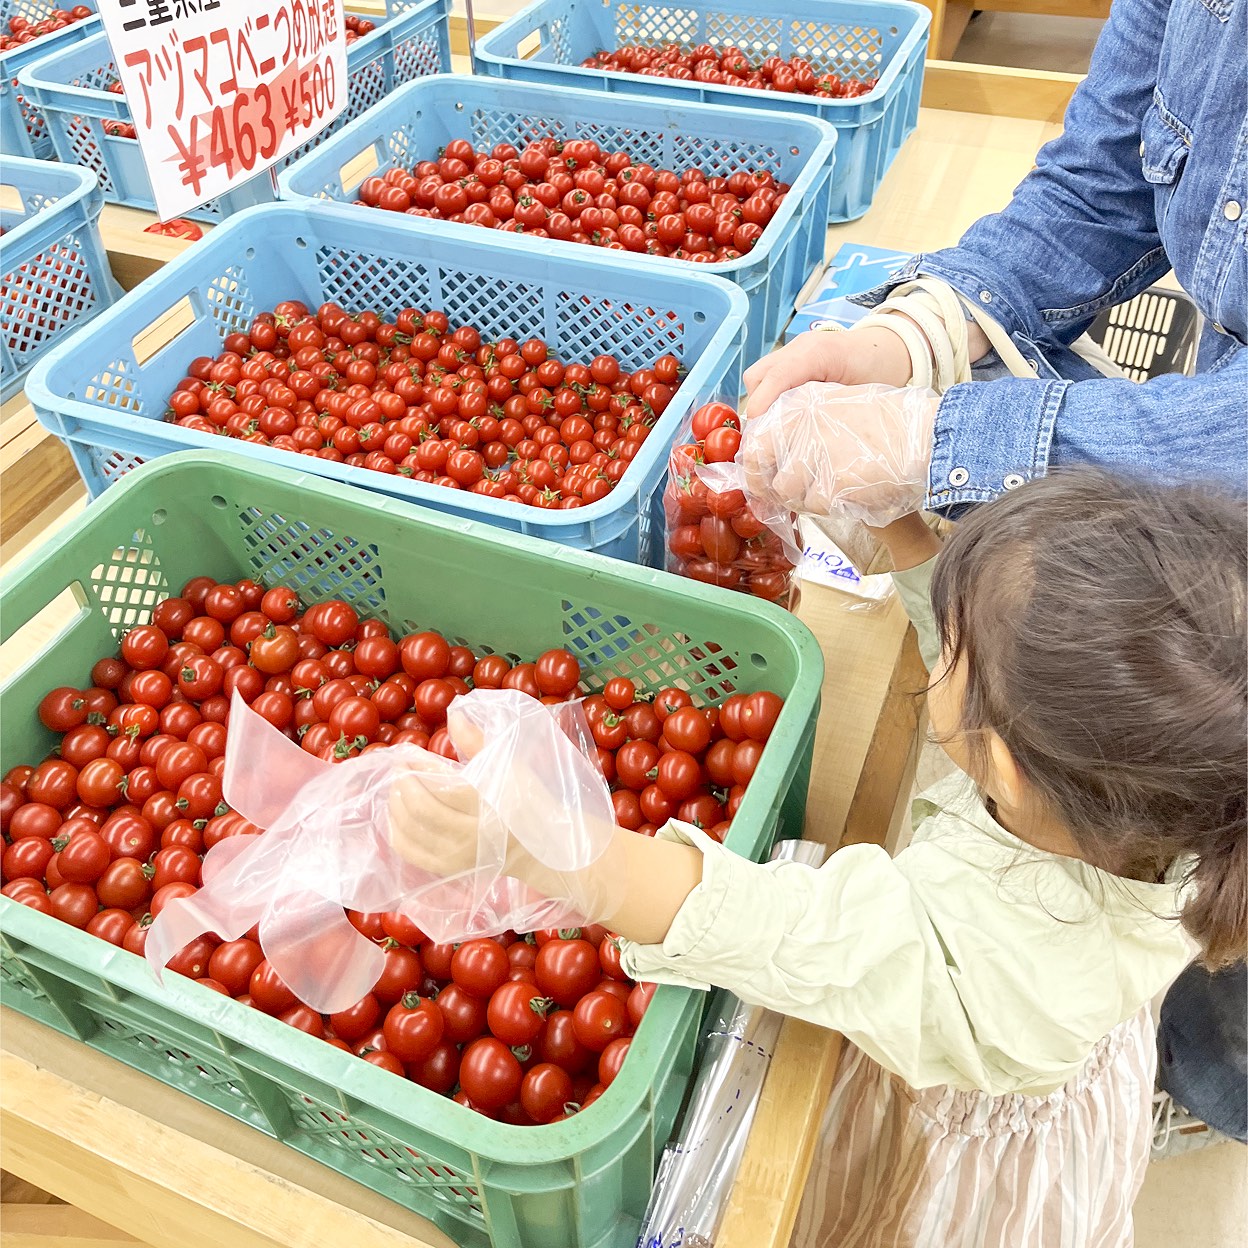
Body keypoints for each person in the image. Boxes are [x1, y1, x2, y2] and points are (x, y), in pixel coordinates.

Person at [391, 469, 1247, 1247]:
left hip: (954, 1136)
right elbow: (997, 672)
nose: (938, 642)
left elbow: (778, 929)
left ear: (1008, 767)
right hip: (1048, 1042)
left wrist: (555, 852)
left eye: (951, 642)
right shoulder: (1169, 799)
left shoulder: (992, 962)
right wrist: (902, 534)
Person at [738, 0, 1247, 1154]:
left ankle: (1217, 1077)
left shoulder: (1026, 933)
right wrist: (916, 336)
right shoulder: (1092, 824)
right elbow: (1102, 182)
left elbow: (813, 938)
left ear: (1007, 765)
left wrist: (942, 440)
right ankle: (1187, 1047)